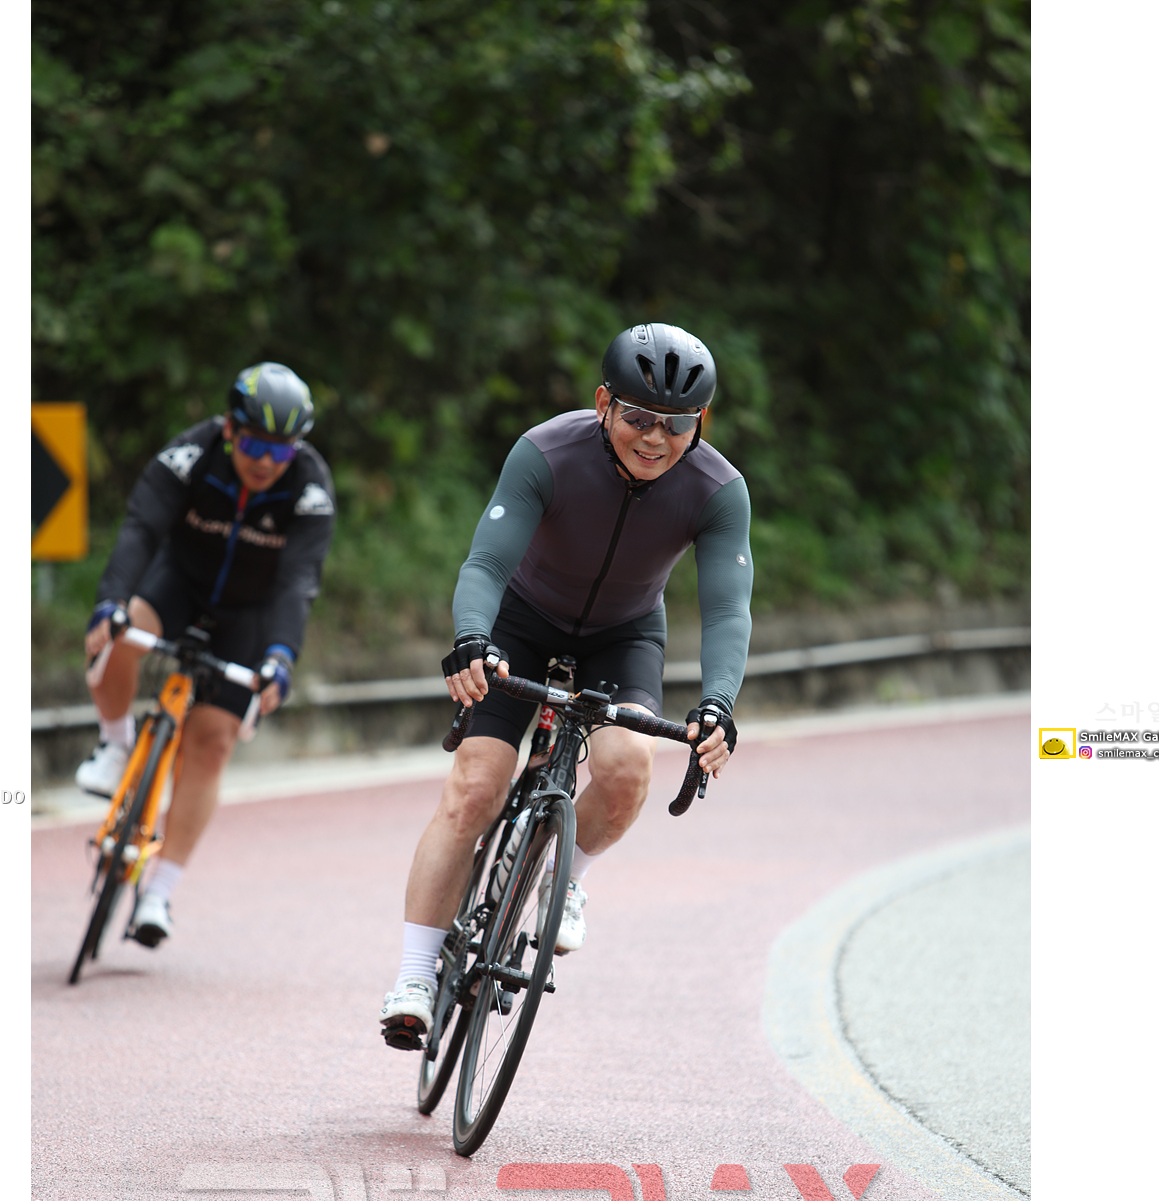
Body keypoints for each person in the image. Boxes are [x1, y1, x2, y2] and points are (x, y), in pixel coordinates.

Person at [379, 323, 753, 1048]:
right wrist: (473, 638)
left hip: (625, 635)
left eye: (677, 425)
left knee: (627, 766)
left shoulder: (718, 490)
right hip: (521, 621)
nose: (655, 439)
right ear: (604, 403)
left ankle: (564, 875)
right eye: (639, 417)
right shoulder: (548, 450)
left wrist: (718, 703)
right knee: (476, 788)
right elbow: (487, 563)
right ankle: (416, 975)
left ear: (700, 423)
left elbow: (727, 609)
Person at [76, 361, 336, 947]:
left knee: (213, 742)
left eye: (281, 450)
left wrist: (281, 656)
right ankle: (115, 745)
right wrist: (110, 601)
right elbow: (141, 528)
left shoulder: (310, 489)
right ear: (229, 428)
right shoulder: (190, 454)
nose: (266, 461)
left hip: (248, 613)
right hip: (178, 584)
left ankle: (160, 893)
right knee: (119, 635)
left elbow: (298, 581)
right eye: (254, 444)